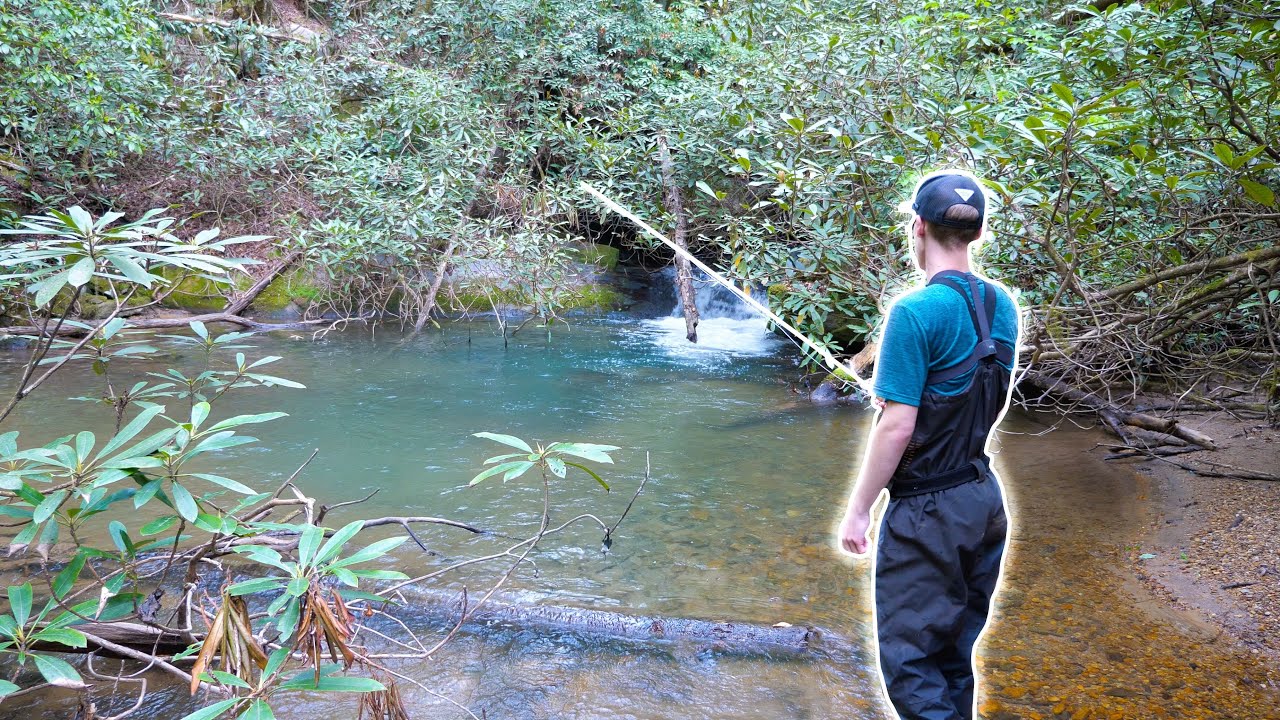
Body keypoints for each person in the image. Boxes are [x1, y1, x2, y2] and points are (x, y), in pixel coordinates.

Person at [837, 170, 1021, 720]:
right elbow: (988, 399)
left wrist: (858, 509)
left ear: (918, 227)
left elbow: (897, 428)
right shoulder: (1003, 307)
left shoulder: (914, 313)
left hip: (928, 514)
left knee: (911, 664)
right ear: (978, 234)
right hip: (983, 501)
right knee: (951, 655)